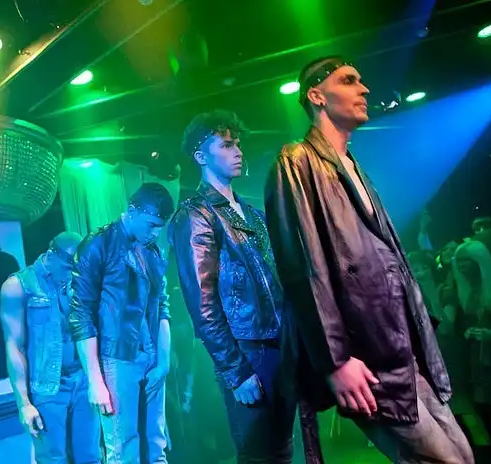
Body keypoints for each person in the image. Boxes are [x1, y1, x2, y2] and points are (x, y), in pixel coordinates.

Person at [264, 56, 474, 463]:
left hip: (399, 345)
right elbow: (304, 268)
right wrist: (335, 361)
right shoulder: (296, 161)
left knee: (462, 455)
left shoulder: (354, 166)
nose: (364, 89)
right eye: (349, 80)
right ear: (316, 96)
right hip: (365, 355)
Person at [168, 109, 323, 463]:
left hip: (279, 345)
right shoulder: (196, 214)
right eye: (226, 145)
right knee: (258, 454)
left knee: (282, 449)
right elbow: (202, 304)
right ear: (200, 156)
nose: (237, 151)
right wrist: (236, 372)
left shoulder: (251, 214)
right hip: (247, 351)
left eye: (237, 144)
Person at [69, 183, 174, 464]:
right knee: (123, 449)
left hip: (151, 354)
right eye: (151, 224)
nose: (155, 233)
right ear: (132, 210)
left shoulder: (153, 250)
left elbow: (162, 305)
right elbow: (81, 314)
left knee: (157, 445)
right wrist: (95, 380)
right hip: (116, 358)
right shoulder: (97, 245)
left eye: (160, 227)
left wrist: (163, 361)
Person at [0, 232, 102, 464]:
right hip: (47, 387)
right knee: (53, 460)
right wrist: (24, 403)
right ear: (51, 254)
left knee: (91, 457)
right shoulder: (18, 286)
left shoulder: (79, 281)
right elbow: (14, 346)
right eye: (68, 267)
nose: (72, 273)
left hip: (82, 380)